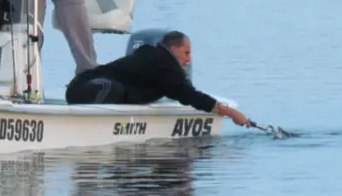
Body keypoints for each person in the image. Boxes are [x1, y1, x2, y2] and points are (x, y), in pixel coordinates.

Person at [65, 30, 252, 127]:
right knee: (114, 89)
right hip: (84, 87)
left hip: (90, 88)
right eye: (186, 53)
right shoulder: (162, 63)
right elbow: (191, 96)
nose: (188, 60)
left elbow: (182, 90)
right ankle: (85, 126)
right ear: (172, 49)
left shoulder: (159, 63)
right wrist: (232, 113)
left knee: (119, 91)